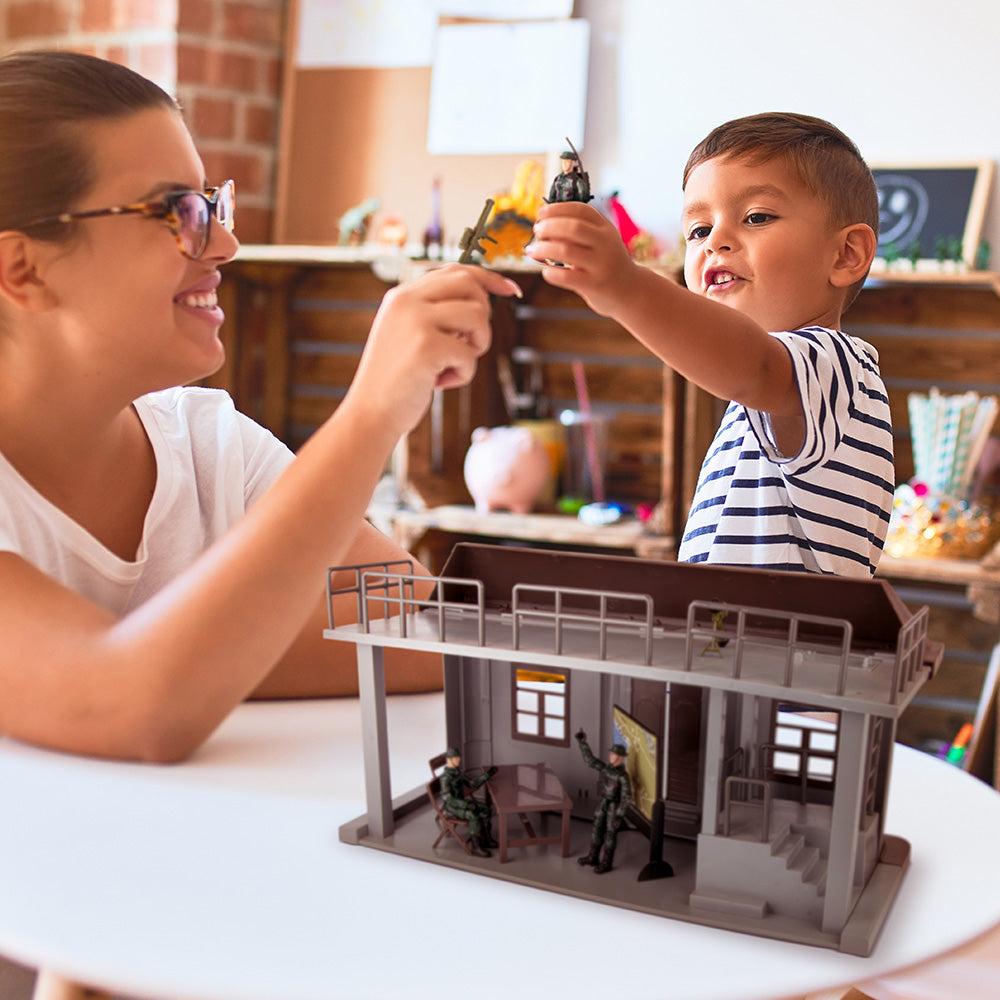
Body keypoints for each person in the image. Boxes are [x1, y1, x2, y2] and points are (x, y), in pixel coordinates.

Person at [0, 50, 522, 763]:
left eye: (212, 204)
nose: (225, 243)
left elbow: (416, 623)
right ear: (23, 269)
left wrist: (183, 662)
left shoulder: (210, 444)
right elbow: (135, 709)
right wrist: (372, 411)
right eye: (176, 212)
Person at [529, 113, 893, 577]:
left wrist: (626, 286)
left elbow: (754, 366)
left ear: (846, 254)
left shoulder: (838, 367)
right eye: (699, 230)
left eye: (756, 217)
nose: (714, 242)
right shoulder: (766, 397)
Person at [575, 729, 631, 874]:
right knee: (596, 829)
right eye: (611, 753)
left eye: (614, 754)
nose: (611, 756)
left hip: (614, 806)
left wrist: (620, 815)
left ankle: (607, 862)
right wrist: (583, 743)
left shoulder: (623, 777)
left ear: (620, 757)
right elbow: (590, 761)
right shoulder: (606, 769)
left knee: (610, 833)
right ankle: (593, 857)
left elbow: (626, 797)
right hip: (603, 803)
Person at [440, 748, 497, 857]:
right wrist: (466, 805)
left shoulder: (458, 772)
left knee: (485, 809)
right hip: (452, 806)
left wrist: (487, 775)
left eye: (458, 757)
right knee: (473, 815)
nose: (459, 760)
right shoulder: (445, 778)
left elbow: (472, 783)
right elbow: (448, 799)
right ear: (449, 759)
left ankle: (487, 840)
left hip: (460, 802)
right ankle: (476, 847)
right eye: (456, 758)